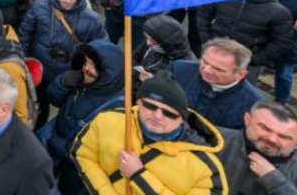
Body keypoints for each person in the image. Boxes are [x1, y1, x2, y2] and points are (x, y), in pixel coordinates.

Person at [72, 70, 227, 195]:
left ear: (182, 119)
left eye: (169, 113)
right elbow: (83, 153)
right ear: (139, 102)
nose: (157, 116)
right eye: (151, 106)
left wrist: (139, 176)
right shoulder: (107, 120)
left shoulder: (206, 169)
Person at [20, 0, 106, 129]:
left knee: (65, 111)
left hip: (67, 76)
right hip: (40, 70)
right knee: (39, 106)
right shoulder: (40, 6)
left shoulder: (92, 20)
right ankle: (38, 131)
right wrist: (25, 61)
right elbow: (25, 34)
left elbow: (101, 49)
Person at [44, 40, 126, 195]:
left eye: (92, 65)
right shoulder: (81, 80)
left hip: (74, 170)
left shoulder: (116, 109)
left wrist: (58, 145)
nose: (85, 68)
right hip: (56, 145)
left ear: (107, 73)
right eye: (85, 62)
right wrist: (61, 83)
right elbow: (53, 99)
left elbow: (94, 154)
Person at [167, 38, 265, 130]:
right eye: (204, 61)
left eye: (218, 69)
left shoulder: (254, 105)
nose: (206, 70)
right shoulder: (178, 70)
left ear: (241, 74)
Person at [197, 0, 293, 81]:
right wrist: (207, 41)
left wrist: (255, 60)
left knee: (235, 96)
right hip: (213, 54)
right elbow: (203, 16)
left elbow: (282, 42)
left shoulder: (278, 11)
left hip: (246, 64)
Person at [217, 100, 297, 195]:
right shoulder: (209, 140)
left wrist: (276, 182)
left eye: (284, 137)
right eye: (265, 128)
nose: (272, 139)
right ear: (247, 120)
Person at [132, 15, 195, 90]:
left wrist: (153, 82)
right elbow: (135, 56)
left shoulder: (185, 66)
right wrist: (134, 74)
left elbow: (176, 93)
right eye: (147, 37)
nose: (148, 43)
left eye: (152, 41)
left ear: (167, 43)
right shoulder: (154, 41)